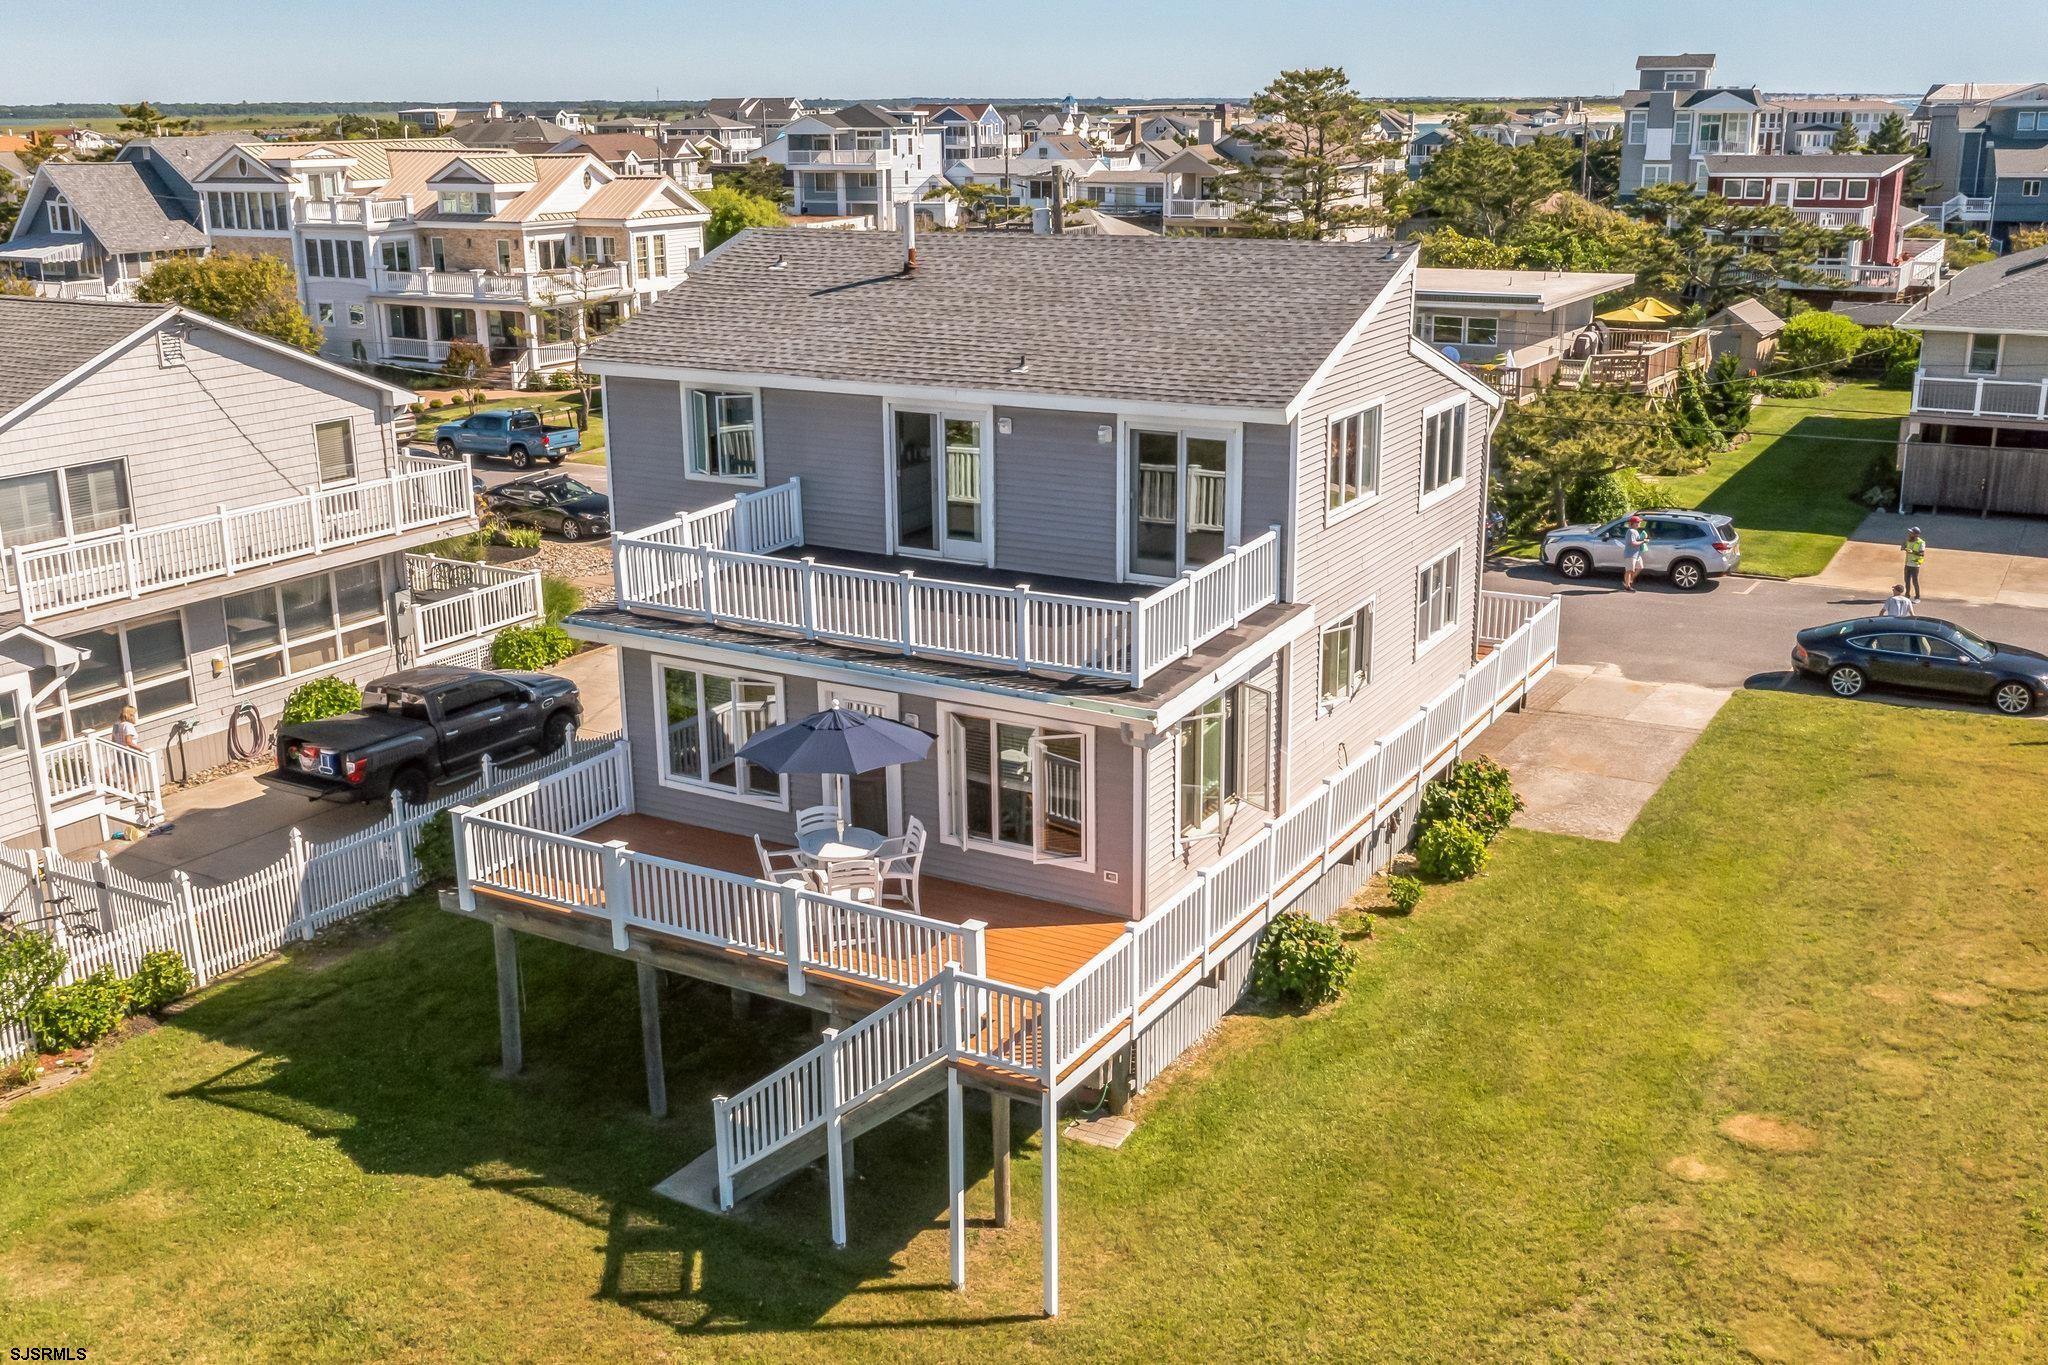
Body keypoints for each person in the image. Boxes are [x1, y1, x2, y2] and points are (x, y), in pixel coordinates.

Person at [1621, 514, 1648, 592]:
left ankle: (1629, 581)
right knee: (1629, 570)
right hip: (1630, 554)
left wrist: (1643, 539)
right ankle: (1627, 586)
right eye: (1638, 522)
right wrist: (1643, 541)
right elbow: (1633, 543)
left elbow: (1636, 541)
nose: (1639, 523)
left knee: (1640, 567)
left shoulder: (1635, 531)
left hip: (1636, 554)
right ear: (1633, 523)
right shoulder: (1631, 531)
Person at [1904, 527, 1926, 600]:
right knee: (1907, 581)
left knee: (1914, 581)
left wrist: (1912, 551)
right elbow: (1905, 547)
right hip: (1907, 564)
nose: (1910, 533)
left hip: (1915, 565)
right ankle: (1907, 596)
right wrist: (1904, 547)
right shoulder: (1909, 540)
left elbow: (1922, 554)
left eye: (1911, 533)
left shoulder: (1921, 542)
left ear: (1916, 534)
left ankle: (1917, 597)